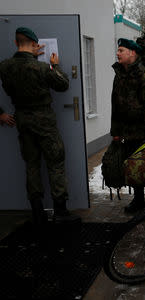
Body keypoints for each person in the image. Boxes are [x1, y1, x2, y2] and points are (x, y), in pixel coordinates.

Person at [0, 27, 77, 225]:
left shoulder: (5, 66)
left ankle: (37, 212)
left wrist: (0, 113)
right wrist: (55, 66)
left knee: (32, 165)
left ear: (17, 43)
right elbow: (63, 85)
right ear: (34, 45)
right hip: (44, 121)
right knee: (56, 163)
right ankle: (60, 211)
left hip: (22, 120)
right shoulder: (42, 68)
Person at [110, 38, 145, 213]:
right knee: (133, 167)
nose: (118, 53)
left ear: (132, 53)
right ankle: (138, 200)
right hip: (128, 132)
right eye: (118, 50)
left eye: (121, 50)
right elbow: (115, 105)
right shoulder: (120, 75)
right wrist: (116, 131)